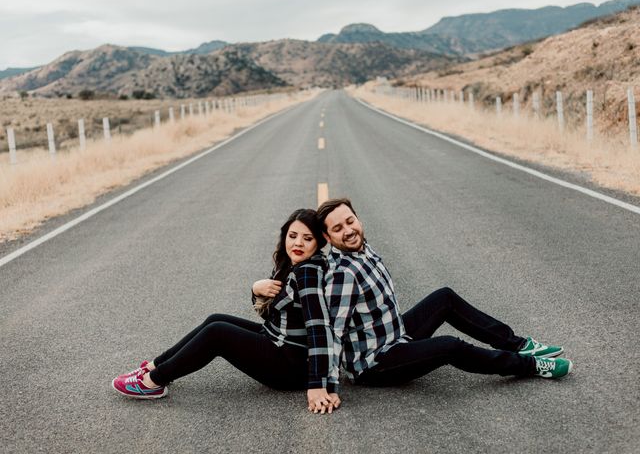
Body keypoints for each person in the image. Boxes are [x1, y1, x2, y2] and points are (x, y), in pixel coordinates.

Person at [316, 198, 573, 391]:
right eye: (337, 229)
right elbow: (332, 332)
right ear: (327, 237)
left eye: (350, 221)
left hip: (395, 335)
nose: (348, 230)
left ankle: (519, 345)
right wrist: (323, 384)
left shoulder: (362, 248)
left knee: (444, 298)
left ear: (358, 219)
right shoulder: (342, 276)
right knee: (449, 346)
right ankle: (528, 366)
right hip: (375, 363)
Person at [112, 208, 340, 414]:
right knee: (215, 319)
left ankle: (152, 382)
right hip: (278, 341)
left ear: (318, 243)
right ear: (285, 236)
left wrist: (317, 384)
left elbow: (319, 327)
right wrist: (256, 290)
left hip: (292, 366)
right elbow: (271, 315)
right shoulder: (294, 265)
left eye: (307, 238)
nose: (297, 243)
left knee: (218, 334)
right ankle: (154, 366)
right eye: (293, 236)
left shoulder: (308, 273)